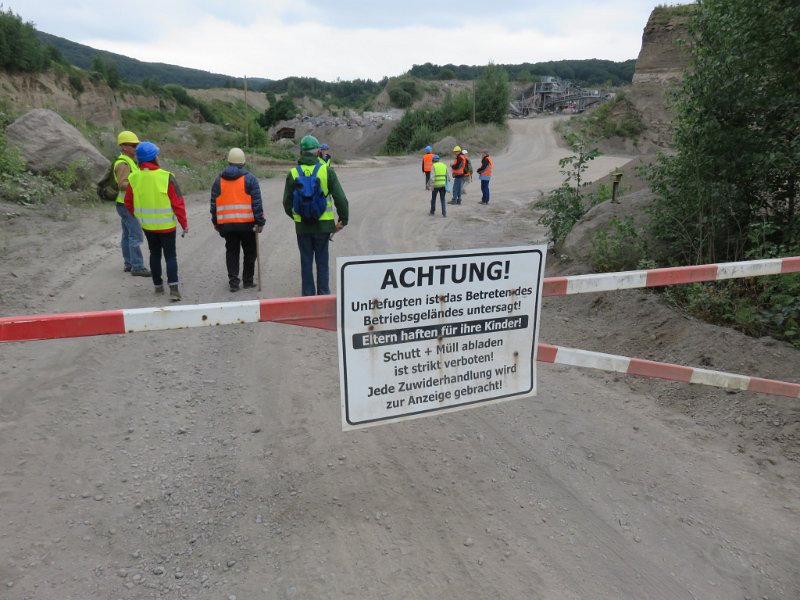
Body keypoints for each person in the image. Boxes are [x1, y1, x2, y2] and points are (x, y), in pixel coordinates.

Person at [282, 134, 349, 296]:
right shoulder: (326, 171)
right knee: (322, 263)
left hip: (303, 228)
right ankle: (323, 294)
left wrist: (299, 217)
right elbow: (341, 199)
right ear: (318, 151)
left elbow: (287, 203)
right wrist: (342, 220)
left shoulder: (293, 173)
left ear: (301, 153)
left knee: (306, 262)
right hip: (323, 226)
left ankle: (308, 296)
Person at [125, 141, 189, 301]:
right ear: (154, 157)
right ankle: (174, 289)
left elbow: (128, 203)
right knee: (170, 256)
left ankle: (158, 286)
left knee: (154, 254)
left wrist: (139, 216)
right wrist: (184, 223)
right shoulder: (166, 177)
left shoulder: (134, 178)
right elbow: (178, 203)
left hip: (147, 226)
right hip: (166, 226)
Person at [210, 147, 265, 292]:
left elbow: (214, 203)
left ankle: (234, 282)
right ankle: (247, 281)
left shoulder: (218, 180)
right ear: (243, 162)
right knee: (250, 252)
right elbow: (257, 204)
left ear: (228, 161)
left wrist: (215, 221)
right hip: (247, 225)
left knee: (232, 252)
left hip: (227, 225)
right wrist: (260, 222)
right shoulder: (250, 179)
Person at [113, 131, 150, 277]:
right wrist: (139, 184)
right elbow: (122, 184)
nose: (136, 148)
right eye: (133, 145)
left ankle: (129, 264)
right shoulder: (123, 164)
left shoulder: (128, 162)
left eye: (136, 145)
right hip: (126, 205)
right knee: (135, 235)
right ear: (123, 146)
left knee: (127, 234)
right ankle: (137, 266)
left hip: (124, 204)